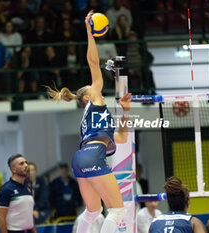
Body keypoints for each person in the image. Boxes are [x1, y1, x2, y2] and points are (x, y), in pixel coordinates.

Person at [46, 10, 132, 233]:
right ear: (87, 96)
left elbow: (121, 137)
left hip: (81, 158)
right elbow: (93, 61)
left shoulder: (95, 114)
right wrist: (89, 32)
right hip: (93, 154)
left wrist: (125, 111)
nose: (97, 86)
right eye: (93, 87)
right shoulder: (94, 99)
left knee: (93, 211)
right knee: (117, 211)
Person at [0, 154, 36, 233]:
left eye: (26, 162)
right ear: (13, 169)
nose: (26, 165)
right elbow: (0, 218)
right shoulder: (6, 189)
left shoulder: (27, 187)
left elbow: (29, 214)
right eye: (21, 163)